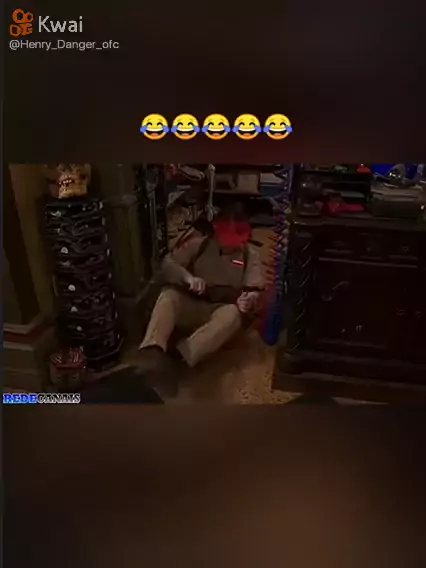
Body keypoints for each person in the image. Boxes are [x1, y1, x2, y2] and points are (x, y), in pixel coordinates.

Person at [137, 203, 265, 397]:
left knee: (233, 315)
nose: (231, 243)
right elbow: (168, 264)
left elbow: (255, 288)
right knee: (169, 295)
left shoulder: (249, 255)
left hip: (220, 310)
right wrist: (188, 278)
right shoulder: (199, 245)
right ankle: (152, 352)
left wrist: (249, 299)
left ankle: (180, 358)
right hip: (193, 304)